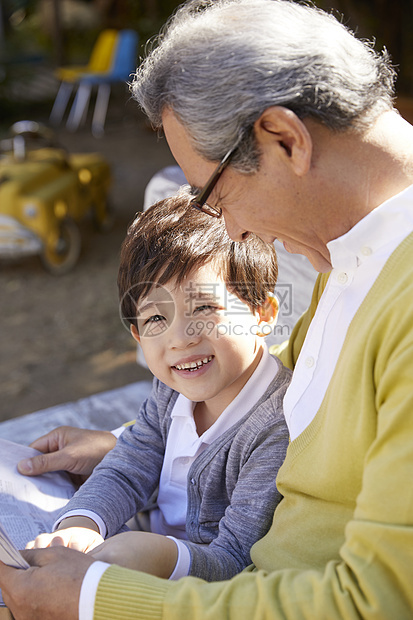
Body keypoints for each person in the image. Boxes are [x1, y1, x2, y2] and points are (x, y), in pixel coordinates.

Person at [1, 0, 413, 618]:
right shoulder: (353, 256)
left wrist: (94, 598)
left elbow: (373, 602)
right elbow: (299, 395)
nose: (232, 230)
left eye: (212, 194)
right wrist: (128, 445)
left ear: (284, 139)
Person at [26, 191, 290, 585]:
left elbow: (237, 557)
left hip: (198, 589)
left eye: (203, 308)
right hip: (140, 547)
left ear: (263, 314)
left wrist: (157, 554)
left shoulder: (274, 428)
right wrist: (82, 525)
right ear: (136, 334)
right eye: (155, 319)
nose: (180, 339)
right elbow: (130, 465)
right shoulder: (171, 389)